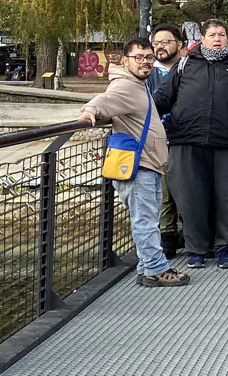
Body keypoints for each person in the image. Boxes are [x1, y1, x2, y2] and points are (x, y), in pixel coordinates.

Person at [147, 19, 228, 270]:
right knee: (190, 199)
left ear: (227, 38)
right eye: (212, 34)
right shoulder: (185, 64)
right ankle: (196, 249)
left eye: (222, 34)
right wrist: (135, 111)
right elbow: (163, 98)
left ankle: (227, 248)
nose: (217, 38)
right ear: (202, 38)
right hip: (186, 141)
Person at [77, 38, 185, 287]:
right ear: (125, 60)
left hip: (147, 163)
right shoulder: (126, 85)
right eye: (139, 57)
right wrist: (89, 110)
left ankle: (147, 267)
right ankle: (157, 270)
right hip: (139, 166)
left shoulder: (138, 84)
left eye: (148, 57)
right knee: (145, 220)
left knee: (147, 218)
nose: (145, 62)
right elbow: (105, 100)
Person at [150, 23, 187, 255]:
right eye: (156, 43)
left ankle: (190, 234)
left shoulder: (189, 70)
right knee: (163, 195)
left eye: (166, 42)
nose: (160, 47)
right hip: (156, 142)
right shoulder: (147, 73)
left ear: (180, 45)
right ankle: (168, 238)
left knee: (186, 190)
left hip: (184, 139)